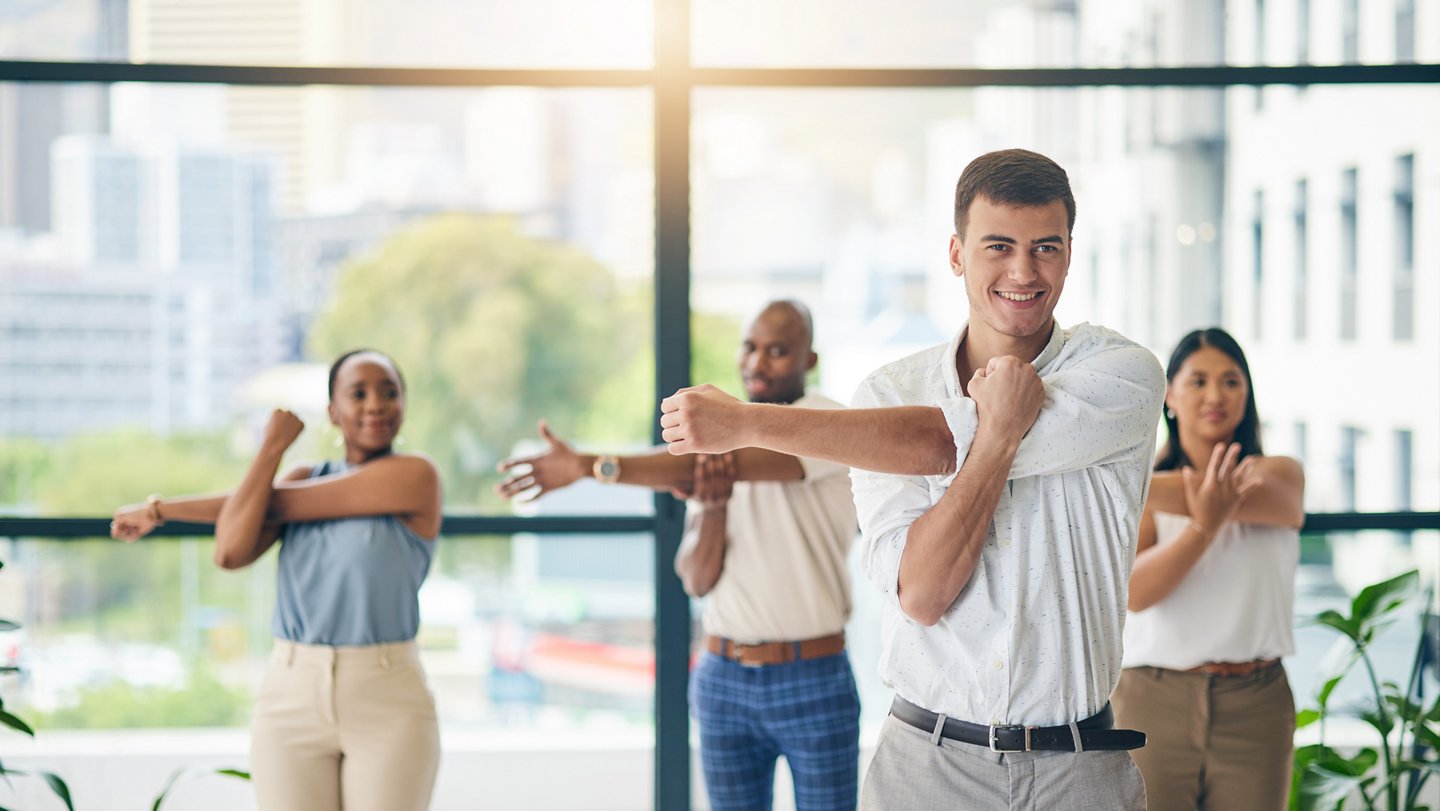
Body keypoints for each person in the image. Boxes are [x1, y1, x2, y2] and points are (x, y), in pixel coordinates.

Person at [658, 149, 1164, 809]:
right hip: (927, 770)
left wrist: (747, 422)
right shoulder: (887, 392)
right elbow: (923, 593)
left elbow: (935, 440)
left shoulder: (1122, 374)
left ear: (1070, 252)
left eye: (1046, 247)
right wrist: (1001, 431)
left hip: (1081, 771)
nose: (1023, 270)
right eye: (998, 246)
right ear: (956, 254)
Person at [494, 299, 862, 811]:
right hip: (723, 675)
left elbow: (713, 466)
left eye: (778, 351)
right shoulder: (721, 443)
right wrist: (711, 510)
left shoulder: (826, 422)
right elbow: (696, 579)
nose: (757, 363)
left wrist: (587, 465)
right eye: (750, 347)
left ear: (810, 360)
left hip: (812, 674)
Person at [111, 349, 442, 811]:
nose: (376, 405)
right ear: (333, 411)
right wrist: (271, 448)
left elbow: (283, 506)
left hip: (385, 693)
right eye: (359, 393)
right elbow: (230, 551)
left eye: (390, 392)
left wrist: (160, 510)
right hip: (290, 691)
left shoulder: (415, 476)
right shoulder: (303, 477)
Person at [1112, 327, 1305, 811]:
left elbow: (1248, 497)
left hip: (1256, 703)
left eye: (1230, 381)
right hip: (1154, 697)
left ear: (1247, 394)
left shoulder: (1279, 475)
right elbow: (1137, 594)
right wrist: (1205, 523)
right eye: (1198, 381)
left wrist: (1141, 485)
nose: (1215, 395)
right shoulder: (1149, 491)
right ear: (1170, 396)